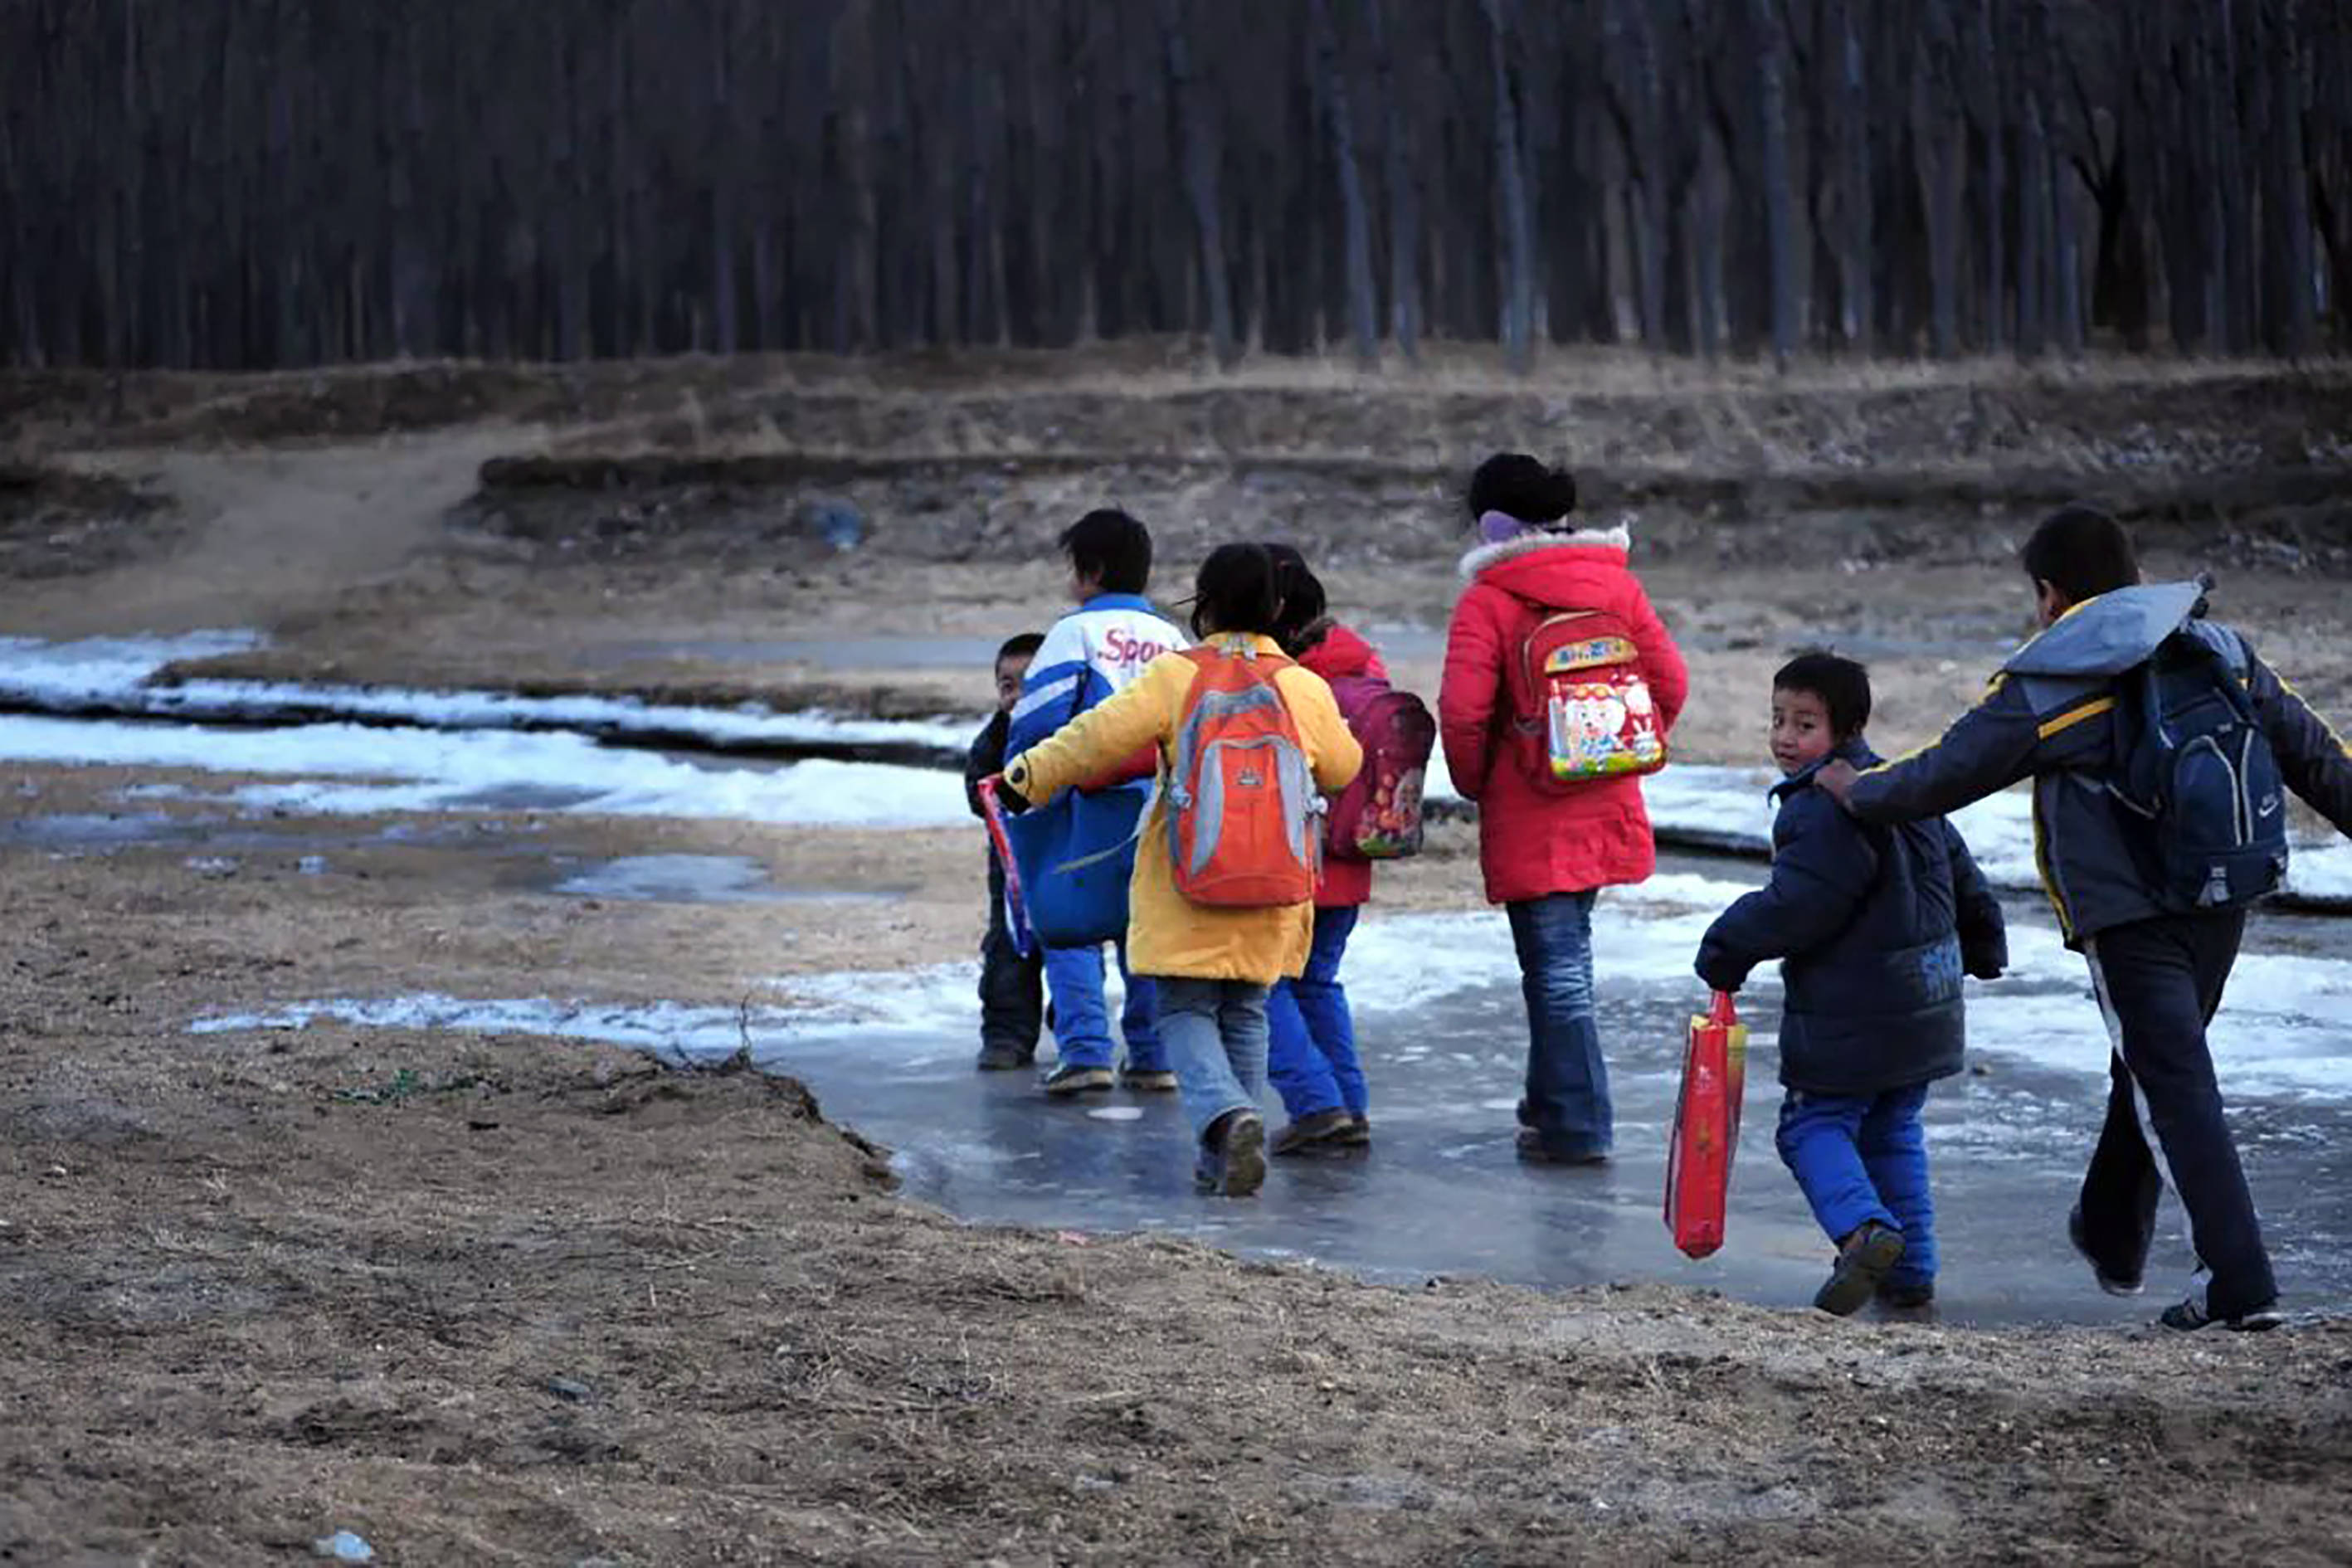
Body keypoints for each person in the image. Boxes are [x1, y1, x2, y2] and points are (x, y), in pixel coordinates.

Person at [1817, 504, 2352, 1332]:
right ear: (2135, 577)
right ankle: (2110, 1231)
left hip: (2131, 916)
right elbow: (2317, 758)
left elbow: (1941, 776)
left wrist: (1859, 790)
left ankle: (2239, 1279)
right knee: (2150, 1065)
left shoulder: (2055, 678)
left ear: (2048, 593)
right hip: (2224, 893)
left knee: (2172, 1084)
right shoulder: (2220, 649)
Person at [997, 543, 1363, 1196]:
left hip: (1187, 875)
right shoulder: (1302, 686)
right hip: (1276, 876)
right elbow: (1342, 768)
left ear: (1206, 604)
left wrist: (1028, 776)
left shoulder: (1178, 676)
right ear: (1279, 608)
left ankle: (1226, 1119)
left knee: (1185, 1009)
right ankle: (1222, 1156)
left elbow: (1094, 738)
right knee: (1246, 1009)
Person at [1695, 653, 2007, 1315]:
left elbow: (1800, 904)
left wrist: (1725, 948)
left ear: (1846, 728)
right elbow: (1961, 872)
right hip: (1925, 998)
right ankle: (1910, 1270)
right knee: (1892, 1129)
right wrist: (1981, 945)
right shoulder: (1901, 785)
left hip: (1855, 1008)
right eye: (1777, 720)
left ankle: (1864, 1233)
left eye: (1804, 724)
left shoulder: (1816, 809)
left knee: (1812, 1126)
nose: (1784, 737)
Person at [1438, 453, 1688, 1165]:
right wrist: (1620, 747)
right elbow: (1670, 681)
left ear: (1490, 524)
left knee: (1555, 968)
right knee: (1562, 956)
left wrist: (1478, 779)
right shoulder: (1616, 586)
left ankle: (1578, 1124)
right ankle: (1548, 1106)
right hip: (1603, 796)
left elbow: (1461, 712)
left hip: (1529, 805)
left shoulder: (1488, 599)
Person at [1007, 509, 1186, 1096]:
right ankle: (1152, 1054)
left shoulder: (1073, 632)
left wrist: (1023, 778)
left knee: (1070, 925)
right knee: (1144, 928)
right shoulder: (1171, 638)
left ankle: (1085, 1051)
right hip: (1156, 807)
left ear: (1091, 571)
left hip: (1085, 806)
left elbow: (1038, 722)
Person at [1261, 544, 1381, 1155]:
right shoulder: (1364, 664)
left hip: (1290, 856)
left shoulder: (1278, 679)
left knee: (1264, 981)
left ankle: (1315, 1104)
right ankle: (1349, 1108)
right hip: (1353, 851)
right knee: (1318, 981)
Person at [965, 631, 1047, 1071]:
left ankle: (1072, 1027)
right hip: (1010, 870)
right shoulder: (994, 738)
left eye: (1027, 684)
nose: (1015, 695)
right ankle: (1006, 1037)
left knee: (1071, 952)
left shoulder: (1069, 734)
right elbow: (975, 787)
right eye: (1006, 685)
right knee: (1007, 951)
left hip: (1063, 864)